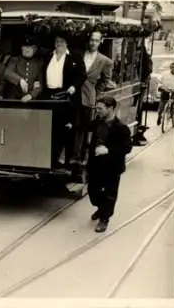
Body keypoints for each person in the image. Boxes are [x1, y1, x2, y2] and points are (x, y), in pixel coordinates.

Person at [87, 97, 132, 233]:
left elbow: (127, 147)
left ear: (111, 108)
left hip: (112, 166)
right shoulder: (98, 122)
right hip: (96, 164)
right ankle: (101, 208)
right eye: (96, 108)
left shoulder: (121, 128)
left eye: (100, 108)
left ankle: (104, 218)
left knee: (110, 194)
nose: (97, 111)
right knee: (92, 192)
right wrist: (71, 125)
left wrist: (108, 150)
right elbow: (86, 125)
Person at [71, 31, 114, 171]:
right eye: (91, 40)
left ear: (101, 41)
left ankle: (80, 158)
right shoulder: (79, 55)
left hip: (88, 97)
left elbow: (105, 79)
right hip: (73, 94)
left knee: (83, 128)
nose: (93, 43)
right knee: (72, 126)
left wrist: (95, 92)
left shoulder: (105, 61)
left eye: (96, 40)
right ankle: (70, 157)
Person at [42, 33, 87, 167]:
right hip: (50, 96)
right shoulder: (49, 55)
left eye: (62, 41)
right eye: (57, 41)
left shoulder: (75, 56)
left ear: (67, 43)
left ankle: (65, 161)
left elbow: (82, 75)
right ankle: (51, 159)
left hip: (66, 96)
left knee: (66, 129)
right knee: (51, 128)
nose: (59, 44)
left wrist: (74, 86)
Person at [4, 36, 44, 101]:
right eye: (25, 47)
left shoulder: (38, 63)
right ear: (21, 48)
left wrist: (31, 95)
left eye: (30, 47)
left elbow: (40, 85)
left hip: (30, 101)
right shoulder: (14, 60)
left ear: (35, 49)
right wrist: (20, 80)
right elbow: (7, 73)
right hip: (14, 100)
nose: (27, 50)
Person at [157, 61, 174, 125]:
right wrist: (160, 87)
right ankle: (159, 116)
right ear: (170, 68)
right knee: (161, 107)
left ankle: (171, 113)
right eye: (172, 67)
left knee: (173, 102)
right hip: (165, 91)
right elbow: (160, 81)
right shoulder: (165, 74)